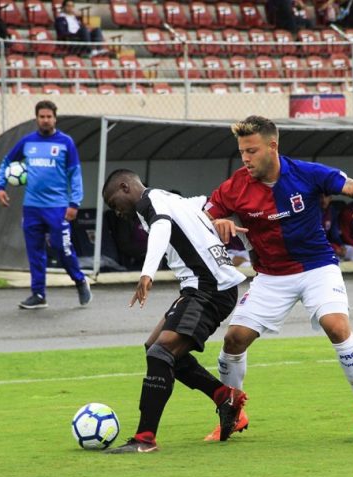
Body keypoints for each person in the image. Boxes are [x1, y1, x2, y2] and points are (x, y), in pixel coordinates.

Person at [203, 115, 353, 441]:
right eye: (242, 151)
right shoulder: (236, 186)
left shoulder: (307, 173)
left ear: (272, 146)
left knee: (337, 326)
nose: (245, 158)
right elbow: (205, 216)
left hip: (317, 267)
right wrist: (216, 224)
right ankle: (233, 410)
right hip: (271, 276)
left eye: (251, 151)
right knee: (234, 339)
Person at [101, 169, 248, 453]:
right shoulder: (171, 198)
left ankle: (145, 439)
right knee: (154, 348)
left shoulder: (150, 201)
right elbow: (203, 205)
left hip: (209, 288)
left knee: (161, 352)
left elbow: (162, 227)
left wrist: (147, 274)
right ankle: (224, 397)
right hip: (202, 287)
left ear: (125, 187)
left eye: (113, 202)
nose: (116, 212)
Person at [0, 100, 91, 309]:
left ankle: (80, 281)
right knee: (35, 251)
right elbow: (6, 162)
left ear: (55, 118)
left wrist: (74, 202)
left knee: (61, 247)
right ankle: (38, 294)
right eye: (41, 117)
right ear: (36, 118)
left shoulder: (66, 142)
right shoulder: (27, 142)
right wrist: (0, 186)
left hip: (58, 207)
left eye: (49, 117)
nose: (45, 120)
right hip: (32, 208)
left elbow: (75, 174)